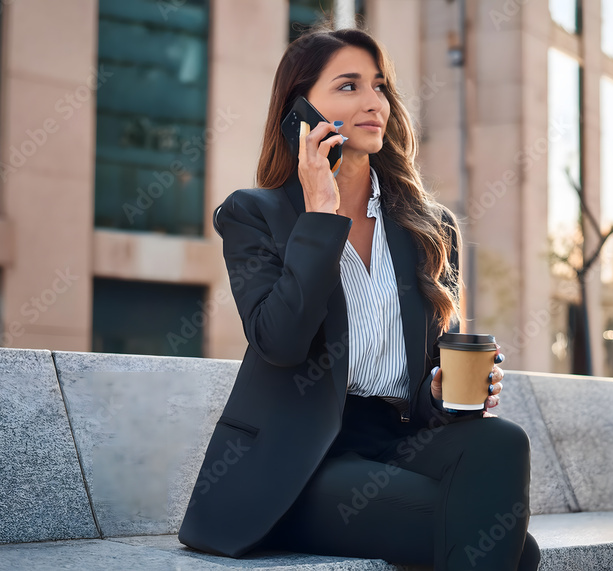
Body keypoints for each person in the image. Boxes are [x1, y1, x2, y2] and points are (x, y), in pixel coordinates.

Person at [177, 26, 540, 571]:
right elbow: (280, 340)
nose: (375, 103)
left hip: (401, 444)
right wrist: (321, 215)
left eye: (380, 87)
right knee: (511, 548)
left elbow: (419, 387)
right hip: (302, 464)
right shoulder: (255, 214)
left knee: (502, 442)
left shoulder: (429, 227)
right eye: (349, 86)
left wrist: (441, 392)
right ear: (301, 109)